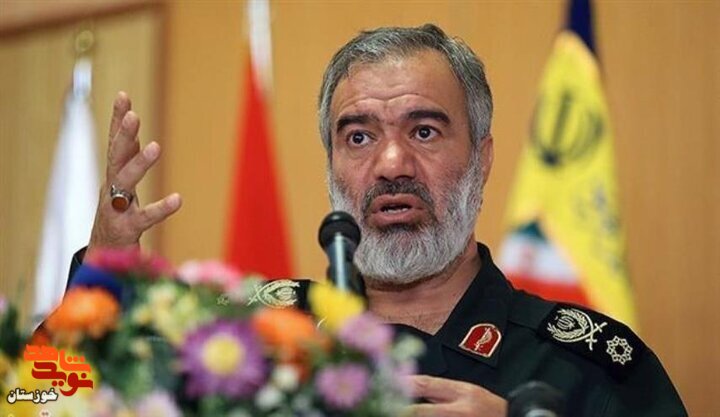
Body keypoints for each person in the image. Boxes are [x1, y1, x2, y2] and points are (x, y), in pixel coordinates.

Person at [70, 24, 686, 416]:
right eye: (359, 136)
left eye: (424, 131)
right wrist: (101, 271)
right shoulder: (240, 341)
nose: (392, 164)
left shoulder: (591, 365)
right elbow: (40, 399)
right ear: (331, 165)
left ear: (483, 158)